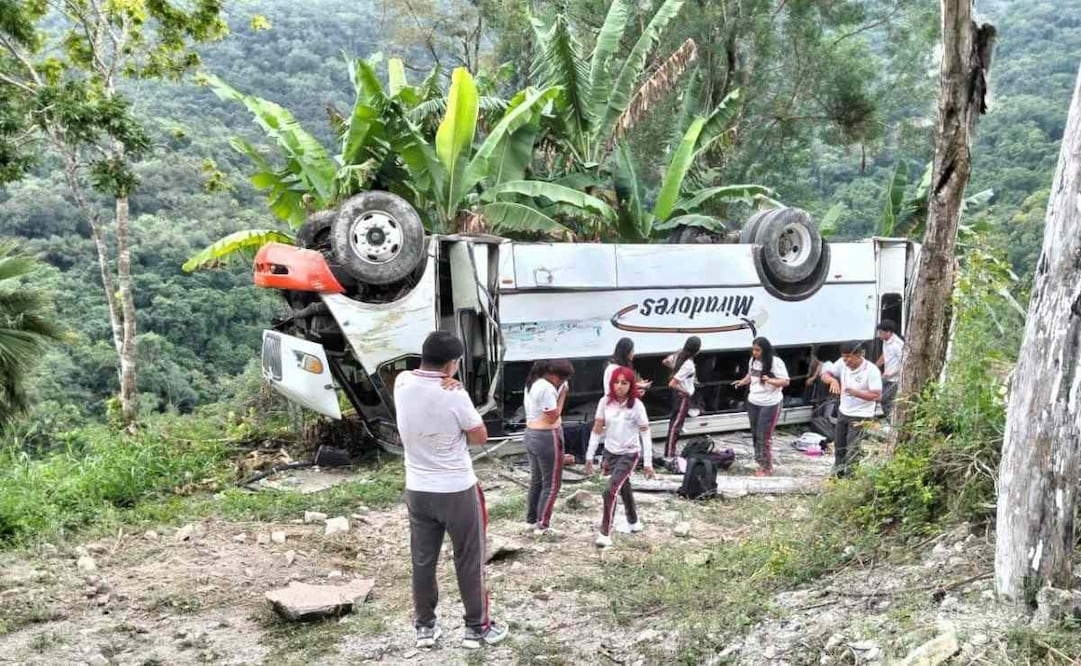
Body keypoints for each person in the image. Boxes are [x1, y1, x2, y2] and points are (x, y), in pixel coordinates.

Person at [393, 331, 508, 649]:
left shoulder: (402, 383)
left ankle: (425, 628)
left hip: (417, 489)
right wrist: (458, 390)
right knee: (469, 559)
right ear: (452, 364)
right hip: (456, 488)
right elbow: (479, 436)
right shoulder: (455, 395)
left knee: (422, 560)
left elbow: (416, 380)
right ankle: (477, 628)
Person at [584, 366, 656, 548]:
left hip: (629, 453)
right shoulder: (604, 402)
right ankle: (633, 521)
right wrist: (589, 456)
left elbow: (645, 433)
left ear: (631, 385)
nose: (619, 386)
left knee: (610, 491)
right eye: (616, 382)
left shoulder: (637, 406)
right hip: (610, 452)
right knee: (623, 485)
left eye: (624, 383)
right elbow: (597, 430)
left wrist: (648, 463)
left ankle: (605, 533)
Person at [523, 358, 574, 535]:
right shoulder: (546, 388)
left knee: (537, 480)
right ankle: (543, 524)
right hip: (547, 436)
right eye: (561, 379)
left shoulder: (532, 383)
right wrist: (562, 395)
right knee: (552, 483)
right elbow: (553, 416)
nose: (561, 382)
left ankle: (531, 520)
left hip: (531, 433)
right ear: (553, 375)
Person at [820, 341, 882, 477]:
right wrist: (832, 380)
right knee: (839, 445)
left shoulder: (871, 370)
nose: (846, 361)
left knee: (852, 447)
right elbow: (825, 374)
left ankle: (851, 477)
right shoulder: (842, 363)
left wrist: (855, 393)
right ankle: (838, 474)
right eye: (844, 358)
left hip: (861, 414)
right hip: (844, 411)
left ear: (859, 355)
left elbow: (877, 395)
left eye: (849, 357)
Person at [732, 337, 789, 476]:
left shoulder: (776, 362)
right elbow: (751, 375)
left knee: (764, 435)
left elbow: (785, 381)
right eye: (753, 350)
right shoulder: (753, 361)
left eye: (757, 350)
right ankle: (760, 461)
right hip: (753, 401)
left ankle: (767, 467)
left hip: (770, 403)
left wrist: (770, 380)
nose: (755, 353)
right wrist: (742, 382)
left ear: (765, 350)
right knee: (755, 434)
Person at [664, 336, 701, 458]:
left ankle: (669, 451)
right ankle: (670, 453)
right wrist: (685, 390)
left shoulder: (678, 355)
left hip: (677, 395)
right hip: (682, 396)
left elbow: (665, 361)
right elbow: (672, 383)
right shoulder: (688, 364)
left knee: (674, 423)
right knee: (676, 426)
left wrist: (675, 369)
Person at [875, 320, 905, 419]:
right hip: (886, 377)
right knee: (882, 398)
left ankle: (892, 420)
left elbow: (905, 362)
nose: (879, 335)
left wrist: (893, 373)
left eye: (881, 333)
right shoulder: (885, 341)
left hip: (894, 379)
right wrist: (875, 366)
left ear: (888, 332)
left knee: (883, 398)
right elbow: (885, 355)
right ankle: (890, 419)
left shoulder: (897, 345)